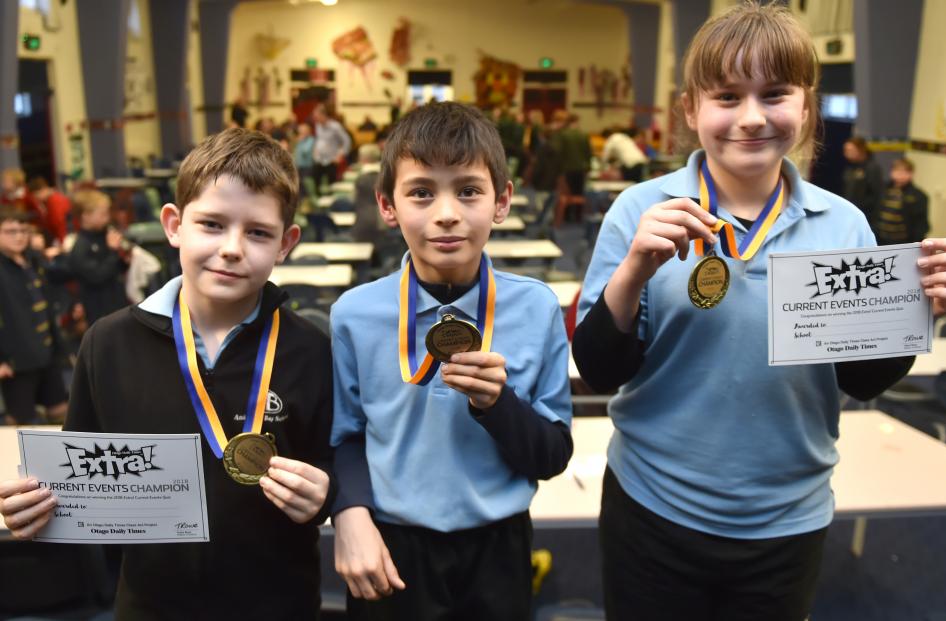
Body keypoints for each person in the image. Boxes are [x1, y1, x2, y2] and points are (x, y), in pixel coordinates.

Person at [572, 4, 945, 620]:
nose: (750, 118)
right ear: (691, 109)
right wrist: (636, 267)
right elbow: (599, 370)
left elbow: (862, 378)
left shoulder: (843, 223)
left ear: (805, 106)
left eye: (774, 94)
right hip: (653, 508)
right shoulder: (639, 210)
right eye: (726, 96)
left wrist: (916, 309)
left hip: (787, 517)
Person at [0, 128, 335, 619]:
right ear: (174, 225)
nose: (232, 248)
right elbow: (79, 484)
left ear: (286, 243)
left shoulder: (311, 349)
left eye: (258, 232)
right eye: (212, 225)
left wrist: (327, 495)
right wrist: (38, 510)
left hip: (279, 601)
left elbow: (337, 463)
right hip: (151, 604)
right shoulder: (108, 344)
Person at [330, 102, 573, 620]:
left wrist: (497, 404)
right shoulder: (354, 314)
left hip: (498, 546)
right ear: (387, 205)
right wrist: (350, 514)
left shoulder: (537, 308)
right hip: (390, 545)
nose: (446, 213)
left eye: (468, 190)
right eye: (421, 192)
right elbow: (345, 435)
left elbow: (552, 456)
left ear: (501, 201)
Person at [0, 209, 68, 425]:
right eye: (10, 231)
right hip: (16, 360)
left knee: (61, 412)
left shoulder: (32, 260)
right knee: (19, 421)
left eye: (23, 230)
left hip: (46, 351)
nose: (19, 236)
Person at [68, 189, 130, 325]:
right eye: (102, 214)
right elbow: (97, 276)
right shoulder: (81, 247)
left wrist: (124, 257)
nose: (107, 218)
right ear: (86, 216)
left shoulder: (105, 234)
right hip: (100, 312)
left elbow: (117, 268)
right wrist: (113, 252)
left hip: (118, 302)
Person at [875, 157, 929, 245]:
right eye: (897, 171)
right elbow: (875, 212)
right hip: (880, 238)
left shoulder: (919, 196)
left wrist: (915, 244)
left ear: (911, 174)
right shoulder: (883, 189)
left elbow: (921, 225)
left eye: (904, 172)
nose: (900, 175)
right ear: (891, 172)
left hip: (902, 241)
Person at [842, 135, 884, 230]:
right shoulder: (850, 168)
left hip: (866, 218)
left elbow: (877, 196)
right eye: (846, 150)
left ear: (860, 150)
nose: (847, 153)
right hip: (850, 214)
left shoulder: (872, 168)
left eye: (850, 150)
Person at [312, 103, 352, 195]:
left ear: (323, 115)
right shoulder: (318, 126)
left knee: (332, 184)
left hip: (331, 160)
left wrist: (340, 155)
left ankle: (332, 203)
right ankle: (320, 202)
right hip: (319, 159)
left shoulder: (335, 126)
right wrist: (315, 150)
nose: (314, 118)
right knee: (316, 180)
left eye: (316, 115)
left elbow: (347, 141)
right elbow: (319, 139)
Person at [27, 176, 72, 243]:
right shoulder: (50, 200)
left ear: (42, 190)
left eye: (36, 195)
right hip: (62, 236)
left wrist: (62, 242)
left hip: (64, 237)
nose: (36, 199)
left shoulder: (55, 201)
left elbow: (59, 223)